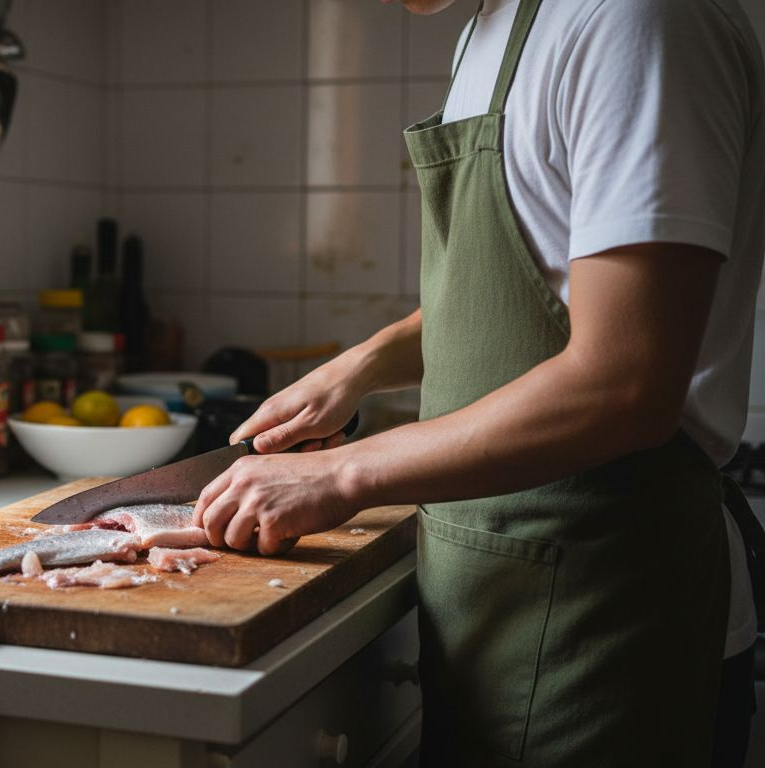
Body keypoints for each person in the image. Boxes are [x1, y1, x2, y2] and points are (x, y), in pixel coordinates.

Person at [193, 0, 765, 765]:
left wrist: (339, 472)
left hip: (612, 626)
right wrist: (362, 366)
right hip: (486, 607)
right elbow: (517, 296)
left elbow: (627, 383)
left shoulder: (635, 19)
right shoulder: (487, 30)